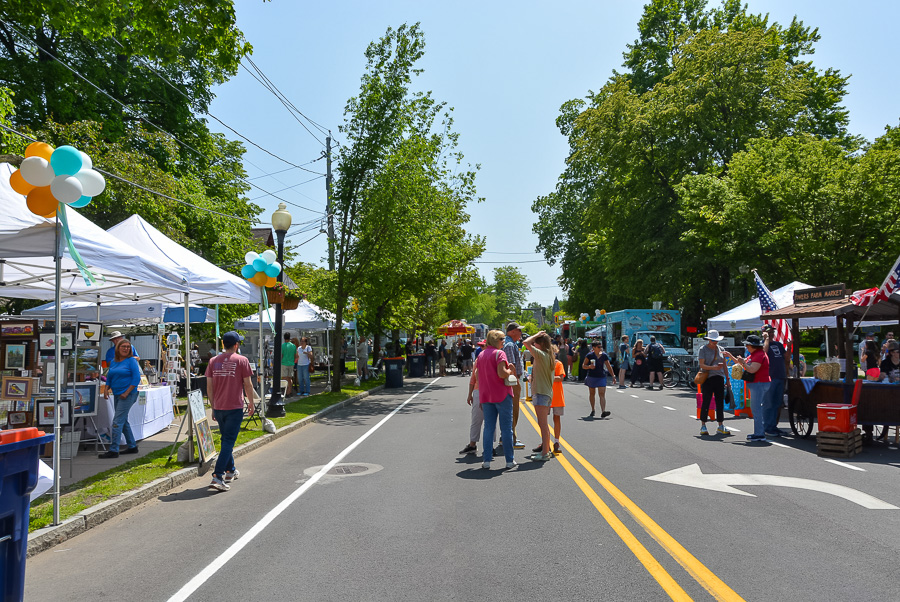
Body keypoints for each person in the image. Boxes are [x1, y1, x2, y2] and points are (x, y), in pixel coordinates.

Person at [205, 331, 255, 491]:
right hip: (234, 407)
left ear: (223, 344)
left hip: (219, 406)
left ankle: (230, 470)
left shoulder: (213, 361)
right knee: (228, 441)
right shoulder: (242, 360)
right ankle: (217, 476)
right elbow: (248, 384)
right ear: (236, 345)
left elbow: (209, 387)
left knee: (226, 439)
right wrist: (251, 402)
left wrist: (213, 406)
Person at [476, 329, 518, 470]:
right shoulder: (500, 353)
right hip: (502, 394)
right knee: (506, 429)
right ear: (495, 340)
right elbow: (502, 373)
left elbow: (477, 375)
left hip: (486, 395)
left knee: (488, 428)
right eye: (501, 339)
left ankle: (486, 460)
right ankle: (509, 460)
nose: (503, 342)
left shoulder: (481, 355)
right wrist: (510, 370)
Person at [98, 339, 142, 459]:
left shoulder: (131, 361)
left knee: (117, 422)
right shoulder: (113, 361)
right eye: (123, 346)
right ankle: (132, 446)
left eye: (128, 347)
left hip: (128, 394)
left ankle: (114, 449)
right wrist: (106, 389)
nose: (126, 349)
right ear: (118, 348)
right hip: (117, 393)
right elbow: (110, 377)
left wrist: (126, 392)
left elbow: (136, 378)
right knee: (123, 421)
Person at [724, 334, 771, 442]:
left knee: (756, 409)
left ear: (753, 346)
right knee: (756, 409)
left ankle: (760, 434)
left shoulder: (759, 355)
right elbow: (741, 363)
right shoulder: (755, 354)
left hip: (759, 384)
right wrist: (730, 356)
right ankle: (758, 432)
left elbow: (752, 369)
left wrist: (743, 362)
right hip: (757, 384)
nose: (746, 347)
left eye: (747, 345)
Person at [523, 332, 555, 461]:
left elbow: (526, 343)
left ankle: (545, 453)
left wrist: (536, 334)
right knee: (544, 424)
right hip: (545, 392)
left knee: (543, 425)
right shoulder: (548, 355)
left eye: (536, 342)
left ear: (540, 344)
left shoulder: (541, 355)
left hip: (541, 392)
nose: (534, 344)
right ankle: (546, 450)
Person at [697, 330, 730, 436]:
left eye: (716, 340)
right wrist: (713, 368)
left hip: (719, 378)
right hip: (707, 378)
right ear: (708, 339)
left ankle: (720, 425)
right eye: (712, 340)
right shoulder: (703, 349)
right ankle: (703, 425)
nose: (715, 342)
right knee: (706, 401)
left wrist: (727, 379)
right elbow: (702, 365)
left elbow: (724, 365)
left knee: (720, 402)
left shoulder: (721, 349)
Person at [535, 346, 567, 455]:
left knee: (556, 418)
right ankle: (545, 443)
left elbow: (560, 378)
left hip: (556, 395)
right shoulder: (543, 363)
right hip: (545, 393)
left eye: (554, 353)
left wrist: (547, 378)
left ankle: (556, 442)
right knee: (543, 420)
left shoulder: (558, 364)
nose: (552, 355)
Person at [762, 325, 790, 436]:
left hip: (780, 376)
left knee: (777, 403)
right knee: (768, 403)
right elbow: (764, 353)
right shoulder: (763, 344)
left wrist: (789, 346)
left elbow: (787, 358)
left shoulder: (778, 344)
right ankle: (766, 427)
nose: (771, 334)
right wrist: (766, 339)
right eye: (769, 332)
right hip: (769, 377)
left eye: (772, 332)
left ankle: (773, 426)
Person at [502, 322, 526, 450]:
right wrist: (516, 381)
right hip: (512, 381)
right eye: (519, 330)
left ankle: (505, 437)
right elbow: (511, 366)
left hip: (511, 381)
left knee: (510, 410)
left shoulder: (509, 343)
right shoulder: (510, 345)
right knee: (513, 410)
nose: (521, 333)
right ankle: (511, 439)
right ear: (512, 332)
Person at [582, 341, 616, 418]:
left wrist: (613, 376)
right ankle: (593, 409)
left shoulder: (604, 355)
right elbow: (583, 366)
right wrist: (589, 367)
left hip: (601, 376)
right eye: (598, 347)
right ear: (594, 348)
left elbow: (608, 366)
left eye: (601, 347)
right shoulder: (589, 355)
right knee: (592, 393)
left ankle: (603, 411)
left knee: (602, 394)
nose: (600, 348)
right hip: (592, 376)